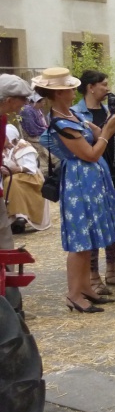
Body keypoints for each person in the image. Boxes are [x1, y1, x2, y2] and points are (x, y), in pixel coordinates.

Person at [35, 67, 115, 314]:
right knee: (80, 240)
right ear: (59, 93)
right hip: (80, 183)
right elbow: (90, 154)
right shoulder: (62, 121)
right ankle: (74, 293)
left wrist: (101, 131)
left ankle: (85, 287)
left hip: (89, 181)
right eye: (68, 88)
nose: (73, 90)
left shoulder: (71, 117)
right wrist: (106, 133)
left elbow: (92, 144)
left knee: (87, 239)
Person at [73, 70, 115, 294]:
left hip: (114, 172)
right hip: (92, 176)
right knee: (95, 225)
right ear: (90, 87)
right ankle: (93, 276)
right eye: (103, 84)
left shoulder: (110, 111)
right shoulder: (76, 114)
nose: (107, 88)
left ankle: (112, 272)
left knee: (113, 223)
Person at [0, 74, 34, 318]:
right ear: (9, 99)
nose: (23, 105)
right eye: (21, 100)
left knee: (5, 247)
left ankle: (11, 309)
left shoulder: (3, 119)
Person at [2, 124, 50, 232]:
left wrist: (16, 169)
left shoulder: (24, 147)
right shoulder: (4, 150)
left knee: (12, 181)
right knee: (8, 181)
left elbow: (31, 168)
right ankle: (10, 219)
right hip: (11, 178)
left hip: (30, 178)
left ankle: (20, 216)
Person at [19, 92, 49, 166]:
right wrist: (46, 131)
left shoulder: (38, 109)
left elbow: (43, 124)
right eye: (43, 100)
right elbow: (32, 130)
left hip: (41, 133)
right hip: (33, 138)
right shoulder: (27, 110)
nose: (45, 101)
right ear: (38, 100)